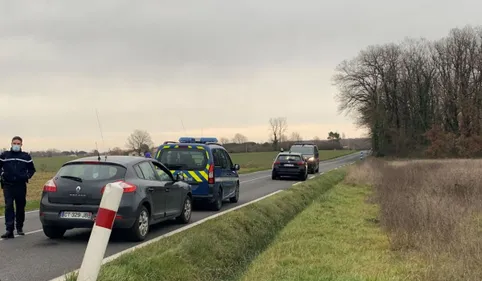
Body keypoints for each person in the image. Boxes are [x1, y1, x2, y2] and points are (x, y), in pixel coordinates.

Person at [0, 136, 36, 239]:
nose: (16, 145)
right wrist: (2, 174)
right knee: (9, 206)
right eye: (14, 143)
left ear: (21, 145)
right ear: (11, 144)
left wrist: (26, 176)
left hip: (20, 185)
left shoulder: (26, 156)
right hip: (8, 185)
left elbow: (32, 170)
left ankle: (19, 227)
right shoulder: (5, 155)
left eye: (18, 143)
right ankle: (9, 230)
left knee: (20, 207)